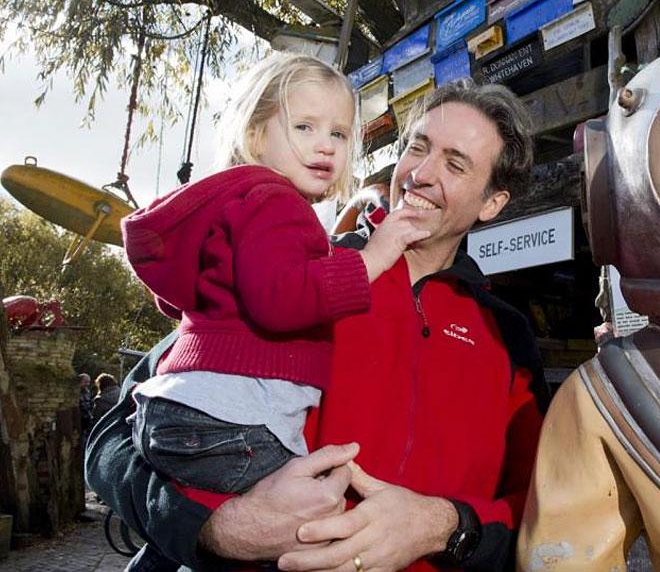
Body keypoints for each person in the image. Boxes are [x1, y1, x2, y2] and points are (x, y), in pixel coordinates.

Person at [86, 78, 548, 572]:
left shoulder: (507, 336)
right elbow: (112, 441)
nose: (420, 174)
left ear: (492, 203)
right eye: (418, 147)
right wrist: (218, 527)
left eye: (455, 164)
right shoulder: (299, 272)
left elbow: (547, 504)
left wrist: (446, 525)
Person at [116, 53, 429, 571]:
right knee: (304, 523)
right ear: (257, 135)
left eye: (340, 133)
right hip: (228, 420)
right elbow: (279, 300)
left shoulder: (244, 202)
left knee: (204, 529)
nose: (325, 144)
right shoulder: (276, 202)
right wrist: (372, 257)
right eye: (304, 126)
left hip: (185, 412)